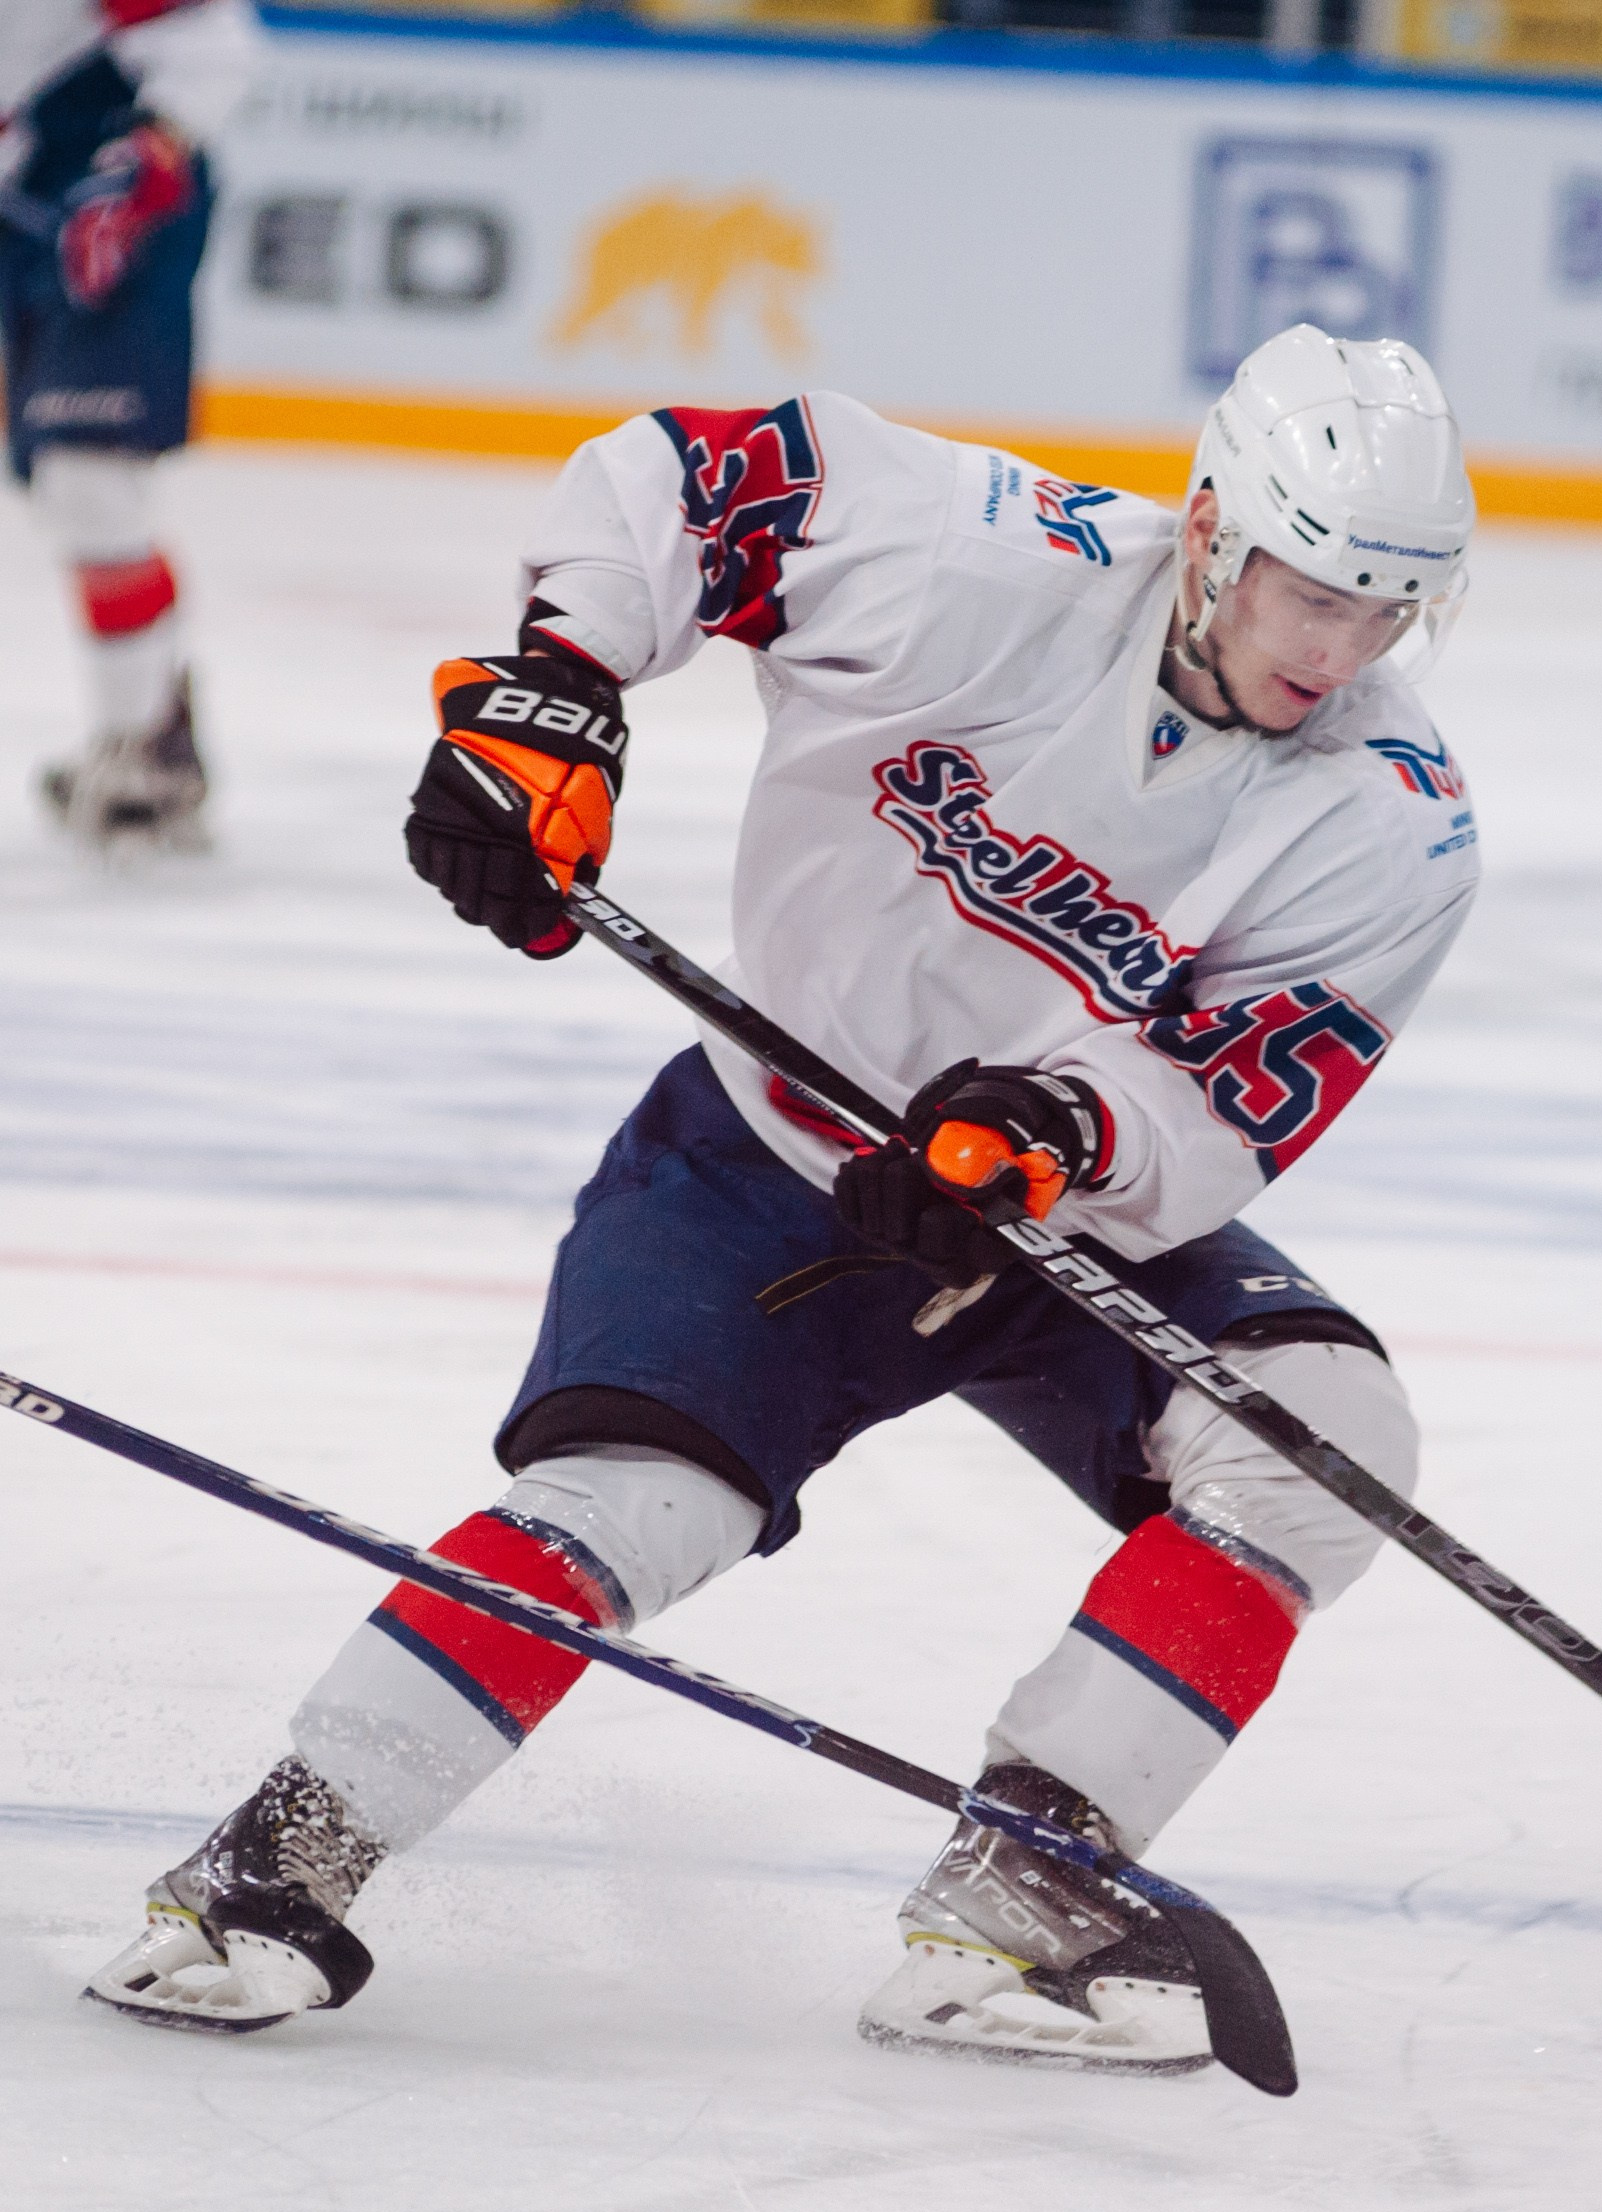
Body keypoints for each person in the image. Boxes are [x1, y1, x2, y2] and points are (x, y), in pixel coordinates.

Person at [88, 325, 1481, 2073]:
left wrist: (1064, 1132)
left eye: (1387, 611)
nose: (1338, 648)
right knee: (635, 1504)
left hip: (1040, 1215)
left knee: (1321, 1431)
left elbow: (1235, 1086)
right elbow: (686, 475)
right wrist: (561, 686)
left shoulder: (1396, 816)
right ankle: (269, 1873)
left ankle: (1024, 1897)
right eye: (1310, 592)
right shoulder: (984, 557)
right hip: (761, 1155)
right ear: (1211, 528)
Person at [1, 0, 259, 850]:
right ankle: (153, 724)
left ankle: (142, 742)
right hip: (25, 192)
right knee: (68, 487)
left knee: (88, 480)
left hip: (105, 186)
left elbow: (210, 38)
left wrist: (157, 145)